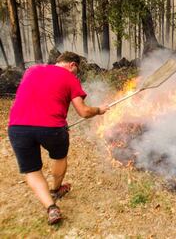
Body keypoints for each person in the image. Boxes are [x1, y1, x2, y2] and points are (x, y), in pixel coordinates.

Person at [7, 51, 109, 225]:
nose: (75, 73)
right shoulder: (69, 77)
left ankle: (51, 207)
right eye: (76, 70)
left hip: (17, 127)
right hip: (51, 128)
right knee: (59, 157)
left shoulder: (32, 70)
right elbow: (84, 112)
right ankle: (55, 189)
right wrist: (99, 110)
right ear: (72, 65)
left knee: (32, 171)